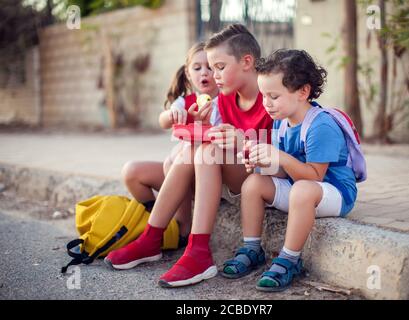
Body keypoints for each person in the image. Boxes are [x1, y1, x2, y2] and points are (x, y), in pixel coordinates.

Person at [220, 49, 358, 292]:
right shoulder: (281, 122)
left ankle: (289, 259)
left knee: (303, 190)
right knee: (253, 183)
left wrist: (280, 157)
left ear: (303, 92)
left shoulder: (321, 125)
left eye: (273, 96)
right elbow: (285, 172)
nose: (266, 103)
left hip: (334, 192)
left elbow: (315, 176)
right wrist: (264, 162)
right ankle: (252, 249)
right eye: (263, 96)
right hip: (300, 187)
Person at [157, 24, 273, 288]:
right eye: (209, 67)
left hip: (263, 181)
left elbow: (284, 152)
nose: (213, 74)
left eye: (219, 67)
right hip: (233, 176)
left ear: (247, 61)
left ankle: (197, 250)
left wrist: (244, 142)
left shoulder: (272, 97)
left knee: (207, 151)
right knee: (188, 153)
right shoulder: (223, 101)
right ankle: (154, 237)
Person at [105, 42, 219, 269]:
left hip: (206, 176)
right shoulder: (185, 101)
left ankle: (181, 228)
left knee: (180, 155)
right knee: (132, 171)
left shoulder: (224, 101)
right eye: (197, 68)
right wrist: (174, 113)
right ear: (187, 73)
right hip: (178, 171)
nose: (204, 72)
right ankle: (161, 225)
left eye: (211, 67)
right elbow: (163, 120)